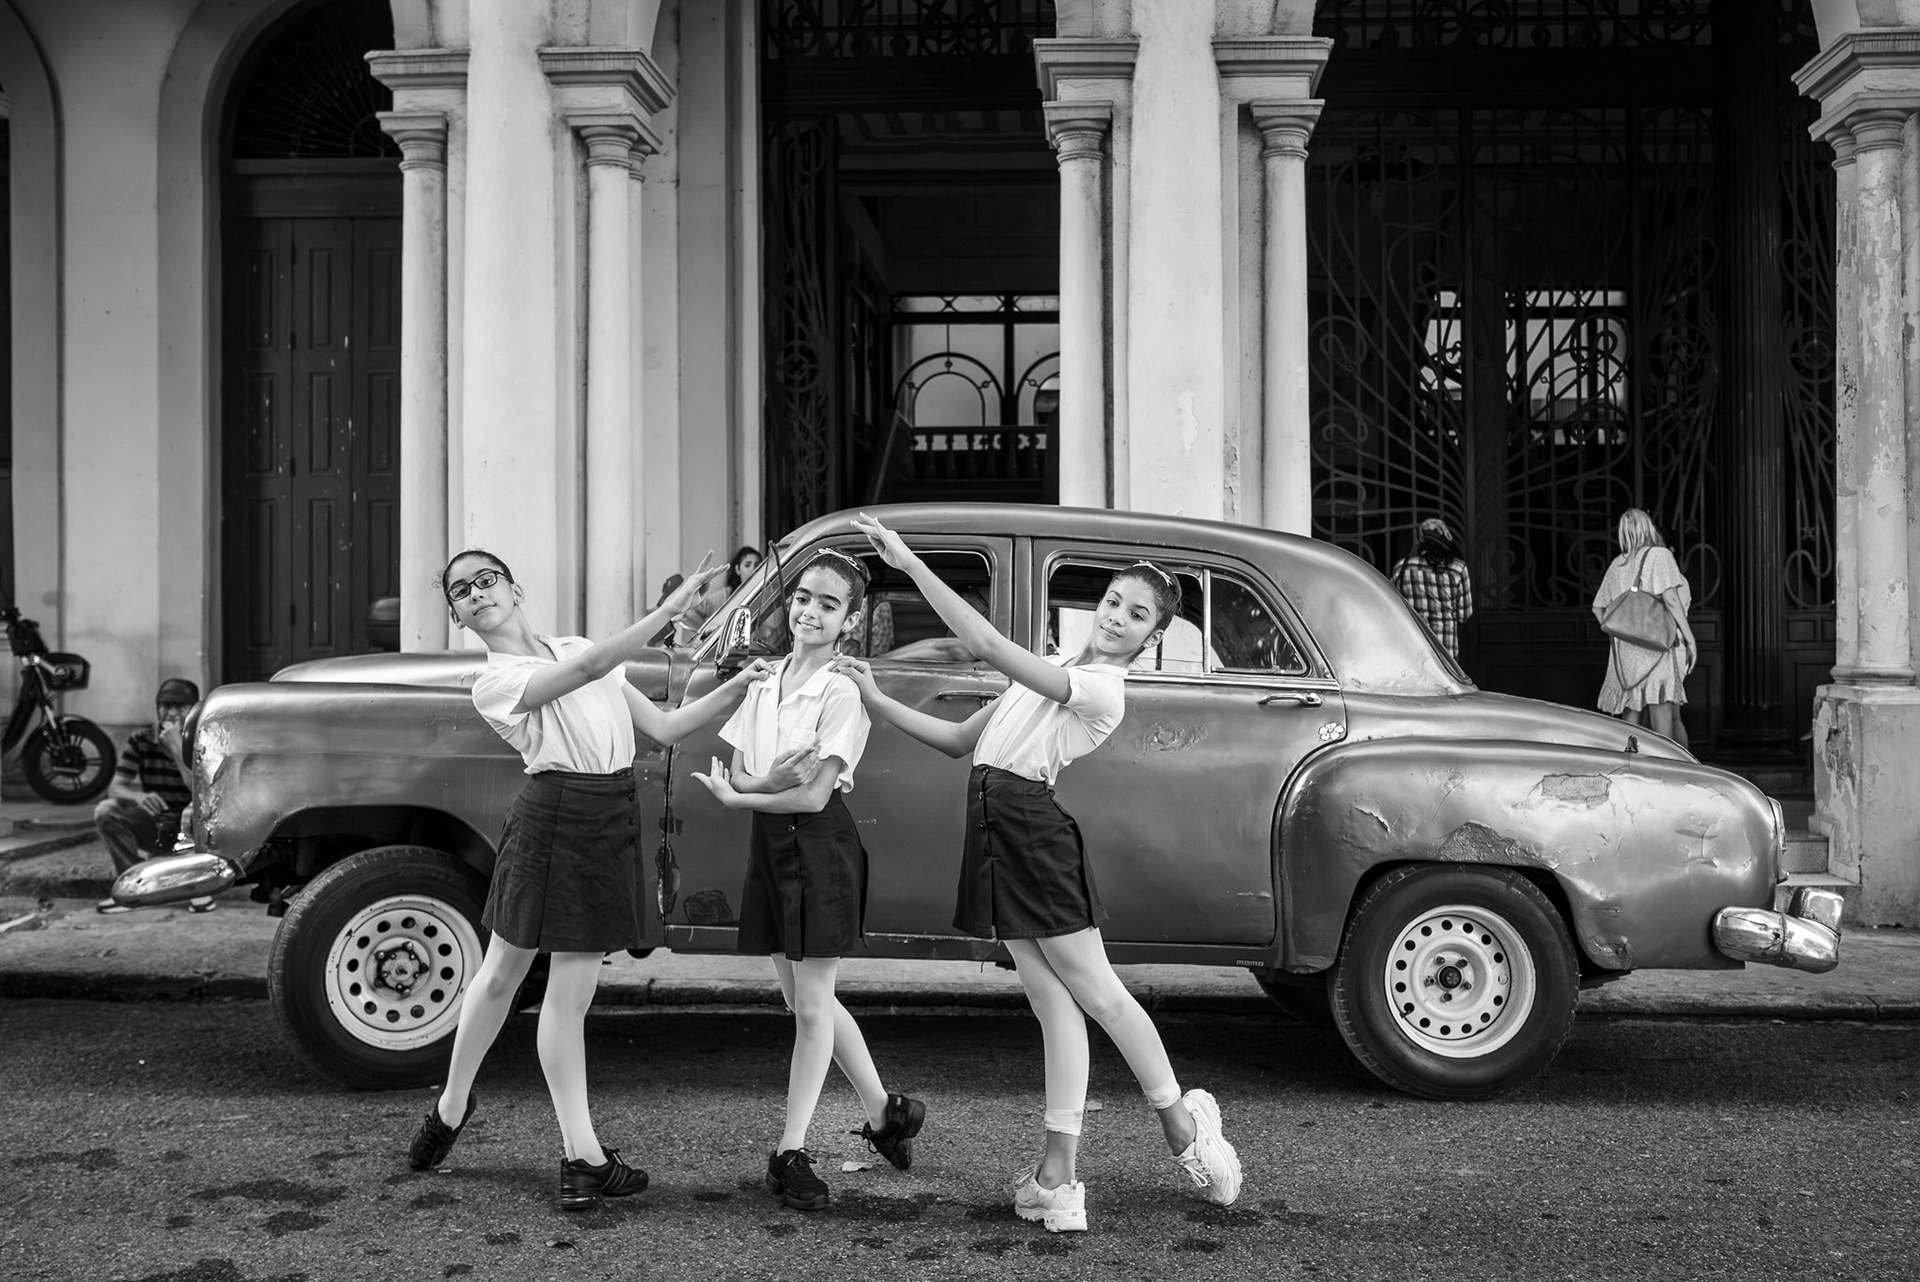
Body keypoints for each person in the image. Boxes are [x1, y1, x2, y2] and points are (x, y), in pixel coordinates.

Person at [830, 514, 1242, 1233]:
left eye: (1137, 615)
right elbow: (962, 741)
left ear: (1151, 639)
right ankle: (1059, 1176)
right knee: (1054, 1007)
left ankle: (1180, 1124)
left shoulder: (1099, 687)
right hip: (995, 828)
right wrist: (877, 699)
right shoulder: (1054, 671)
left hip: (1032, 832)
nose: (1118, 617)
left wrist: (908, 562)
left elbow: (986, 644)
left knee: (1100, 995)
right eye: (1114, 602)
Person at [406, 549, 783, 1210]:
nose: (477, 592)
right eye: (462, 591)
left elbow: (663, 727)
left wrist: (740, 685)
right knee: (501, 976)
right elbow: (588, 668)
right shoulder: (495, 681)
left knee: (559, 990)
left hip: (609, 812)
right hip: (555, 812)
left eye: (487, 578)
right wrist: (667, 613)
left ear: (515, 587)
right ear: (459, 616)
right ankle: (471, 1111)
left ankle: (537, 1144)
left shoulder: (578, 645)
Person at [691, 550, 926, 1212]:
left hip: (820, 846)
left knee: (814, 1005)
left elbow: (815, 796)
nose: (810, 611)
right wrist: (757, 788)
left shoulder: (843, 692)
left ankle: (789, 1152)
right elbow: (742, 773)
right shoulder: (764, 681)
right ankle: (887, 1114)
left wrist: (747, 794)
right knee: (802, 1004)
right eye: (803, 598)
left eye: (829, 604)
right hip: (770, 843)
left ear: (851, 621)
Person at [94, 678, 210, 914]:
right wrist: (136, 797)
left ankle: (198, 885)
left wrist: (178, 748)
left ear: (193, 710)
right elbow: (116, 787)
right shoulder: (142, 739)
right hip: (156, 825)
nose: (171, 713)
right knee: (106, 810)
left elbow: (201, 792)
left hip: (190, 830)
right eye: (165, 706)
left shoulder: (203, 739)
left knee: (195, 810)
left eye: (180, 707)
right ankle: (135, 890)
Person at [1593, 508, 1696, 749]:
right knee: (1662, 713)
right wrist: (1690, 639)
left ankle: (1632, 770)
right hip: (1654, 648)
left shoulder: (1617, 564)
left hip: (1624, 654)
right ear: (1648, 527)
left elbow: (1598, 609)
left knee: (1631, 714)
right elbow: (1671, 600)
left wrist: (1622, 630)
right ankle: (1669, 772)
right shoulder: (1659, 555)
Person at [1389, 518, 1473, 659]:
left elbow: (1391, 604)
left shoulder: (1403, 567)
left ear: (1421, 541)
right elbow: (1464, 614)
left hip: (1412, 647)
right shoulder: (1458, 569)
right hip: (1446, 650)